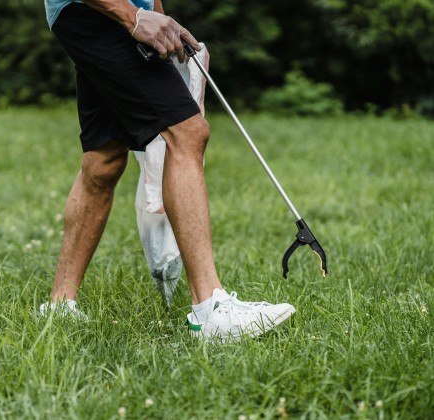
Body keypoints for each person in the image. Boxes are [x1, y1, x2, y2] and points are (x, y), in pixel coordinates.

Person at [39, 0, 295, 340]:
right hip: (98, 12)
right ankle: (210, 310)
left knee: (104, 160)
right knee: (187, 131)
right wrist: (134, 17)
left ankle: (59, 306)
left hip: (100, 15)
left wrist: (157, 16)